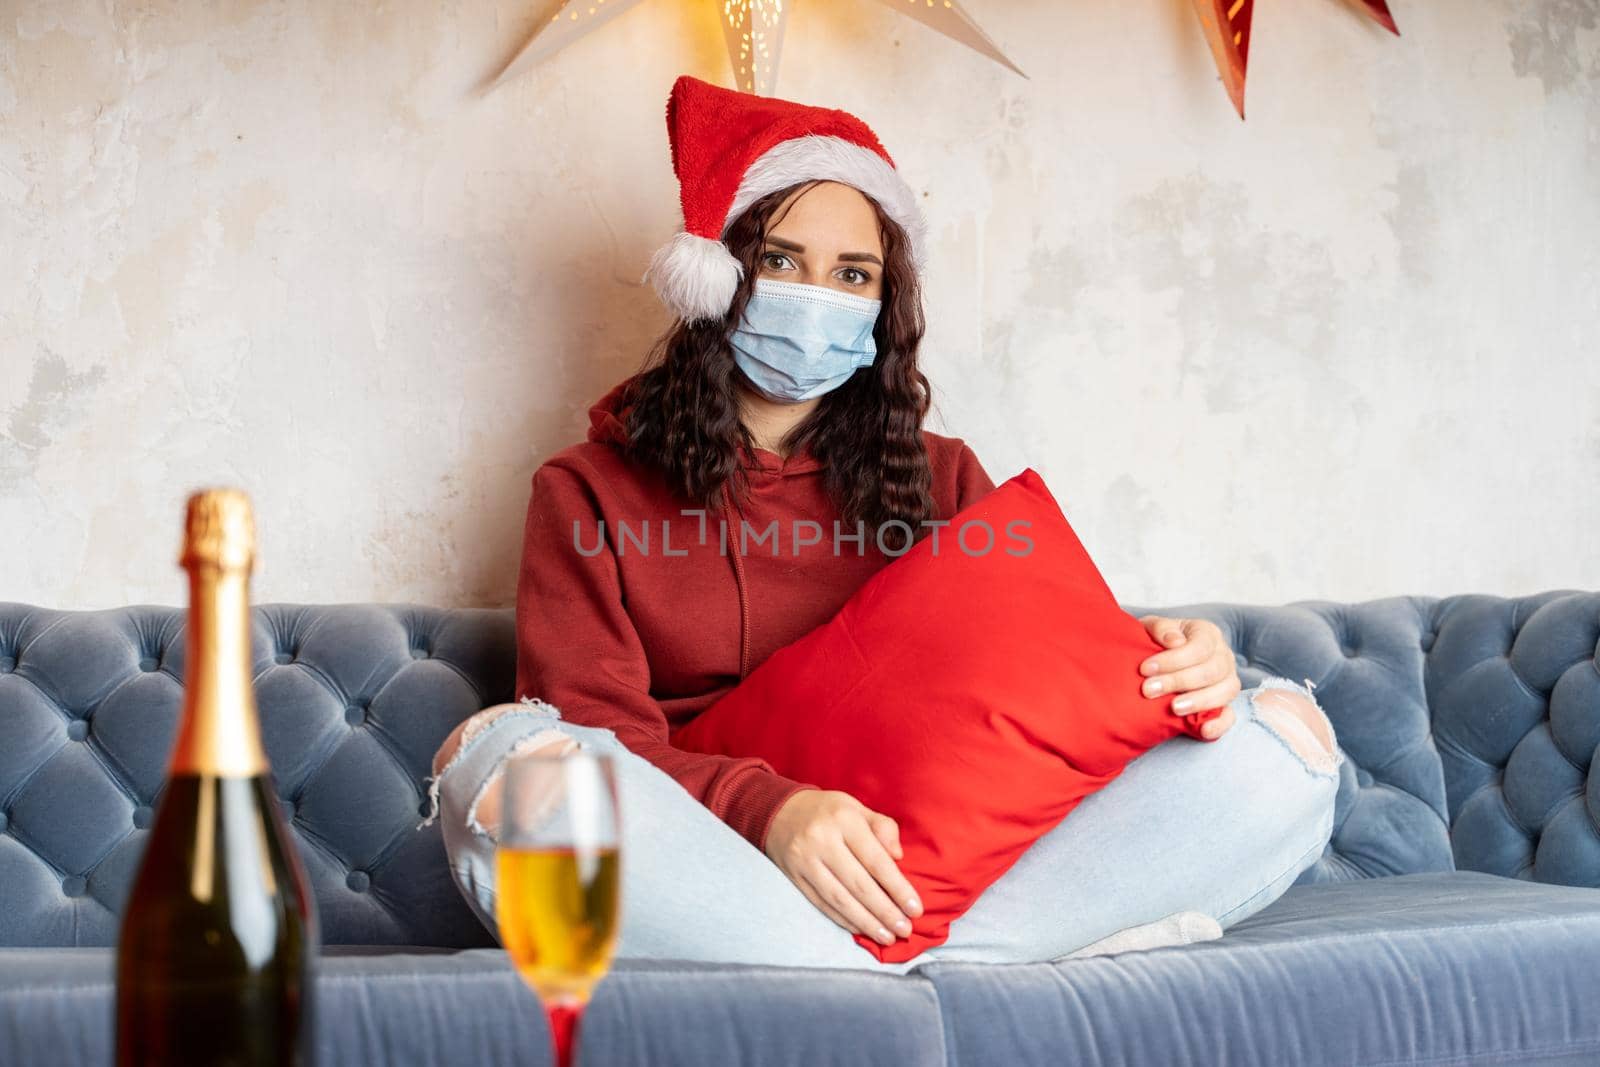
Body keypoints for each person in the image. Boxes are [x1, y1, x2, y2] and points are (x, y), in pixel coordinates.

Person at [421, 74, 1345, 974]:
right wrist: (775, 816)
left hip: (943, 864)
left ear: (881, 307)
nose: (814, 296)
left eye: (852, 273)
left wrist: (1175, 657)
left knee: (1287, 744)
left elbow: (1051, 683)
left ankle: (857, 968)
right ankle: (960, 965)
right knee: (505, 767)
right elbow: (596, 730)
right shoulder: (585, 491)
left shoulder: (945, 476)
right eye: (781, 260)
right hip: (717, 859)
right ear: (719, 271)